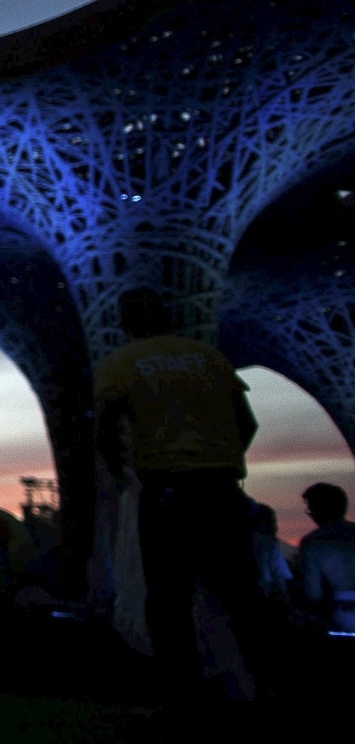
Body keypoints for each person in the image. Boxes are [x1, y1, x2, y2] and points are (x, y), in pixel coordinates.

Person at [95, 286, 271, 693]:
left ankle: (184, 696)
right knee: (241, 594)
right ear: (167, 315)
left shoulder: (121, 363)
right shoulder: (209, 359)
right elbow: (247, 422)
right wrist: (219, 459)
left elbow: (106, 430)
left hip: (167, 490)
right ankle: (265, 686)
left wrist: (123, 475)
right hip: (221, 488)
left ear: (124, 322)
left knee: (169, 598)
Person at [298, 482, 355, 633]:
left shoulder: (313, 543)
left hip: (343, 617)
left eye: (310, 509)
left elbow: (313, 594)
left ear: (319, 509)